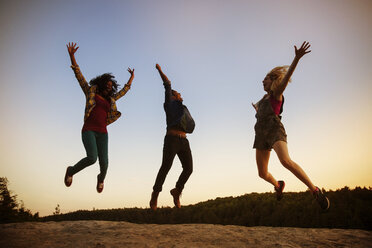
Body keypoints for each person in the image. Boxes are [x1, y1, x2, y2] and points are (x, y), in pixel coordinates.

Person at [252, 41, 330, 210]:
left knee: (285, 161)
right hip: (261, 135)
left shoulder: (277, 93)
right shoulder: (263, 99)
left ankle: (315, 190)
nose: (262, 81)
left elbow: (285, 80)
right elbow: (260, 110)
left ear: (273, 80)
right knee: (262, 174)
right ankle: (278, 185)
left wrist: (296, 59)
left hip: (274, 130)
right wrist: (256, 108)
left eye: (265, 79)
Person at [64, 42, 134, 193]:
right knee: (92, 158)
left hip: (103, 133)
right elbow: (79, 76)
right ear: (101, 84)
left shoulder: (111, 100)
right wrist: (72, 56)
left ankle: (101, 179)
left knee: (105, 163)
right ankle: (71, 171)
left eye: (111, 86)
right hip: (89, 130)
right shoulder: (91, 92)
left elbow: (123, 92)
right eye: (107, 84)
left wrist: (131, 79)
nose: (109, 87)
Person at [150, 64, 195, 210]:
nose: (181, 95)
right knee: (166, 167)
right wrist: (160, 70)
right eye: (178, 93)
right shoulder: (169, 103)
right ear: (173, 96)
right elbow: (167, 84)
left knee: (188, 168)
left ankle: (177, 191)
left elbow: (189, 123)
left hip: (184, 141)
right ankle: (155, 193)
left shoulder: (183, 108)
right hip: (172, 140)